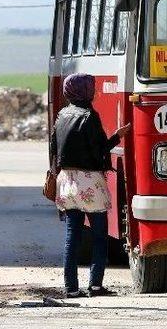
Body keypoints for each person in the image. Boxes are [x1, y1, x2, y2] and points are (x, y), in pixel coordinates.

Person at [50, 73, 129, 298]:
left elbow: (54, 148)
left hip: (66, 181)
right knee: (99, 236)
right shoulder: (90, 116)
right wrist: (117, 136)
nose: (94, 91)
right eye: (91, 88)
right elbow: (100, 149)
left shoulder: (61, 114)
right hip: (89, 182)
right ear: (84, 91)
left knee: (72, 235)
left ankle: (71, 288)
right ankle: (95, 285)